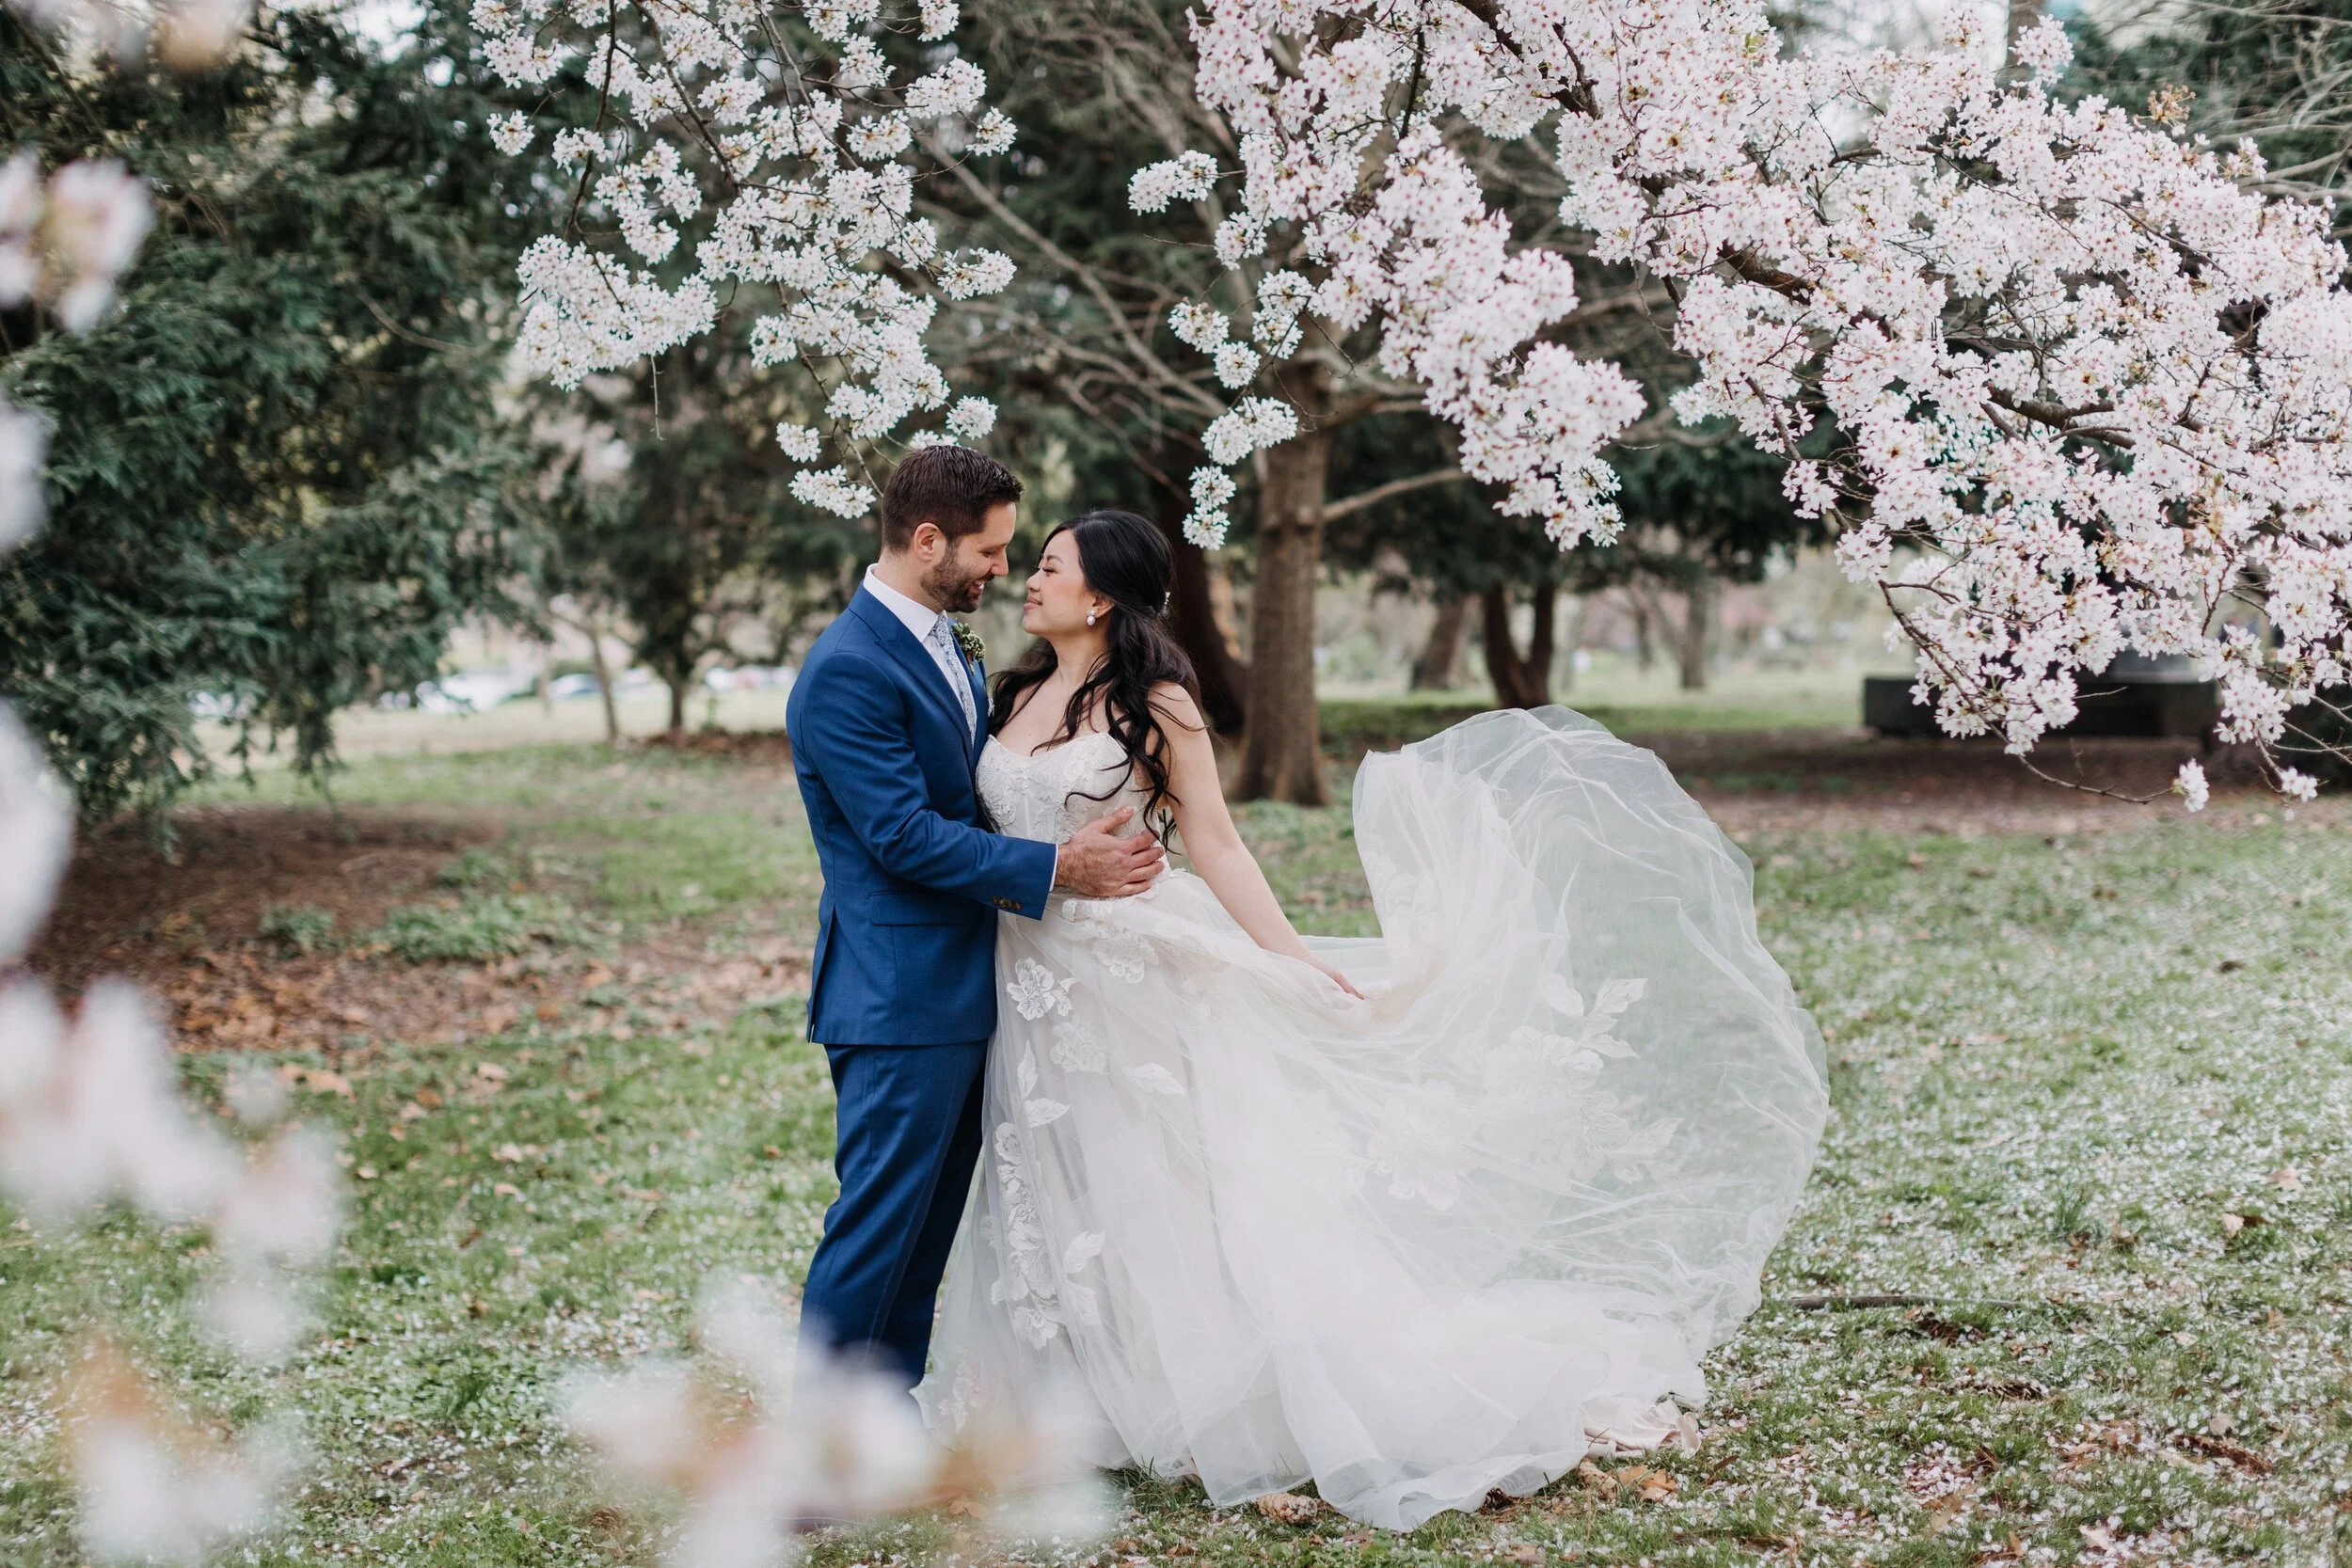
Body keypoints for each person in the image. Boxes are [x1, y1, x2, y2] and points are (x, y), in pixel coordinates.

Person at [919, 508, 1831, 1529]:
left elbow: (1215, 844)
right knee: (1050, 1179)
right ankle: (1070, 1395)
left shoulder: (1156, 701)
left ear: (1099, 596)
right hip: (1030, 969)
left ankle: (1199, 1388)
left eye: (1046, 567)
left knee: (1151, 1180)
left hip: (1131, 973)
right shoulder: (1013, 691)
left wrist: (1292, 958)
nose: (1025, 581)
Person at [784, 449, 1164, 1391]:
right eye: (989, 550)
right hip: (899, 995)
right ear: (927, 540)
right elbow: (905, 836)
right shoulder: (848, 667)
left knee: (922, 1229)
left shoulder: (939, 641)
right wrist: (1059, 866)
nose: (1002, 568)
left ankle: (882, 1415)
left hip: (962, 983)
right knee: (879, 1226)